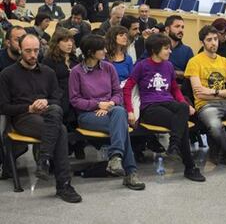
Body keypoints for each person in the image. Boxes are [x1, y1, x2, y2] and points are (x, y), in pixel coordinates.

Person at [0, 34, 82, 203]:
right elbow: (3, 107)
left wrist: (45, 101)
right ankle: (63, 184)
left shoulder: (48, 72)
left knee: (56, 112)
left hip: (48, 113)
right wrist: (29, 107)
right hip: (23, 117)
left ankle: (45, 160)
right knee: (61, 130)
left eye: (36, 50)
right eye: (28, 51)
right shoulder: (7, 74)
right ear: (20, 50)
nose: (32, 55)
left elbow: (56, 99)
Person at [123, 34, 206, 181]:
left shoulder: (168, 65)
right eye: (166, 48)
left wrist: (186, 104)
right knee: (181, 125)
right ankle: (189, 166)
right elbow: (127, 88)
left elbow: (174, 89)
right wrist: (130, 111)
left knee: (182, 109)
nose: (170, 51)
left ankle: (174, 145)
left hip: (167, 102)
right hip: (150, 107)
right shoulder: (142, 66)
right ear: (155, 50)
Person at [69, 34, 145, 190]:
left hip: (111, 110)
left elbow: (118, 92)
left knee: (119, 113)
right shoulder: (76, 72)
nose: (105, 50)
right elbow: (75, 100)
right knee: (121, 121)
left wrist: (110, 103)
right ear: (90, 52)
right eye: (101, 49)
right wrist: (98, 104)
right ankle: (128, 171)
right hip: (88, 115)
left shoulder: (108, 67)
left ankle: (118, 159)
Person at [185, 25, 226, 165]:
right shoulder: (194, 62)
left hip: (225, 103)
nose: (213, 43)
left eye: (216, 39)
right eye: (209, 40)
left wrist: (213, 92)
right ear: (202, 42)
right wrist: (224, 94)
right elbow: (199, 94)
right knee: (215, 127)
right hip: (205, 106)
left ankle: (223, 144)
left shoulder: (224, 61)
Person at [42, 28, 85, 158]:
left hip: (76, 95)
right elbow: (48, 85)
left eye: (71, 40)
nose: (69, 44)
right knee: (66, 107)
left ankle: (79, 144)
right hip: (59, 96)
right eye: (65, 41)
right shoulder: (48, 61)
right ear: (57, 42)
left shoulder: (75, 59)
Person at [164, 15, 193, 82]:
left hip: (178, 87)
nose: (181, 30)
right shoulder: (156, 46)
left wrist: (178, 73)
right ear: (167, 29)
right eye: (177, 26)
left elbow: (191, 74)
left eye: (182, 27)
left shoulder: (187, 51)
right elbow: (141, 65)